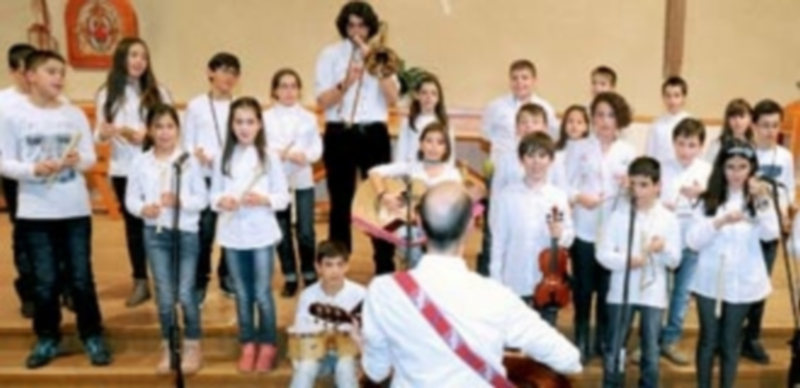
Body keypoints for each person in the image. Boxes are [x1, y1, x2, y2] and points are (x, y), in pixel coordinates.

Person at [352, 182, 582, 386]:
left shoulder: (383, 291)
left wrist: (361, 343)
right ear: (471, 225)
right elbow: (569, 360)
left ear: (419, 222)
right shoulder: (495, 296)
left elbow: (377, 371)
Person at [0, 50, 111, 368]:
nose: (59, 78)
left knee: (81, 278)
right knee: (45, 281)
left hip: (74, 208)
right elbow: (4, 162)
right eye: (51, 71)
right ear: (31, 76)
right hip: (35, 211)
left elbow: (91, 157)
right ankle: (48, 338)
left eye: (62, 73)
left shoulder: (73, 114)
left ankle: (92, 334)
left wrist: (80, 161)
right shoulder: (12, 115)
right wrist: (33, 170)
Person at [315, 0, 400, 275]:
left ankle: (384, 264)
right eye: (351, 25)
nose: (356, 31)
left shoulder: (383, 56)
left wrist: (375, 63)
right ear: (344, 27)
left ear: (369, 27)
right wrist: (346, 83)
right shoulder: (329, 54)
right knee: (340, 202)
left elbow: (393, 98)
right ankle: (338, 264)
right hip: (340, 132)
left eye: (361, 25)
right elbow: (322, 102)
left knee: (381, 198)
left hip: (373, 132)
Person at [687, 139, 777, 388]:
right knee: (708, 339)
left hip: (743, 280)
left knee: (730, 340)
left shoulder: (759, 199)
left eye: (742, 167)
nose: (736, 173)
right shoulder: (708, 199)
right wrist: (719, 222)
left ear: (751, 169)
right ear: (721, 168)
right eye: (730, 167)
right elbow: (693, 241)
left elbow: (771, 234)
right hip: (710, 280)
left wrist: (762, 200)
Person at [125, 104, 207, 374]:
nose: (164, 132)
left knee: (185, 292)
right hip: (155, 234)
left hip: (186, 233)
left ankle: (193, 343)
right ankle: (169, 344)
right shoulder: (140, 162)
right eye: (158, 126)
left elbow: (202, 200)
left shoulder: (189, 161)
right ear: (149, 130)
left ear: (178, 130)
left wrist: (180, 201)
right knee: (164, 294)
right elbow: (131, 199)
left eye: (170, 126)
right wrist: (142, 209)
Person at [210, 97, 289, 373]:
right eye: (239, 122)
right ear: (231, 125)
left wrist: (264, 198)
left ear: (259, 124)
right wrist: (224, 200)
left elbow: (282, 198)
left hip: (262, 234)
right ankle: (247, 343)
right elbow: (213, 196)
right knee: (242, 293)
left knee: (262, 293)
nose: (244, 128)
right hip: (232, 234)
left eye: (250, 122)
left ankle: (268, 343)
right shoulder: (222, 156)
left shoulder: (270, 157)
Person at [95, 37, 172, 307]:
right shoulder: (107, 93)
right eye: (133, 55)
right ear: (121, 59)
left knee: (162, 220)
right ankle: (140, 280)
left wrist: (148, 135)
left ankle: (166, 278)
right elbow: (98, 135)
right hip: (124, 168)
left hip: (157, 166)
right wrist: (104, 132)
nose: (139, 61)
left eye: (143, 56)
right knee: (134, 226)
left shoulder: (158, 92)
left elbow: (171, 128)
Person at [564, 91, 636, 363]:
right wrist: (580, 197)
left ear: (620, 120)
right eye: (599, 115)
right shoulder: (579, 148)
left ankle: (605, 340)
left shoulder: (628, 152)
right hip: (584, 227)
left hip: (614, 232)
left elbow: (639, 191)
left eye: (610, 115)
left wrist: (629, 186)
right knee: (583, 288)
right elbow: (565, 185)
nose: (605, 121)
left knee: (608, 290)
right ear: (592, 118)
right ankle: (581, 337)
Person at [598, 156, 681, 388]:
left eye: (644, 185)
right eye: (633, 184)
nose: (638, 191)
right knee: (615, 347)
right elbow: (602, 254)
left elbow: (675, 261)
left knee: (651, 351)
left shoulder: (668, 219)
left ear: (658, 186)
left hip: (653, 294)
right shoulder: (619, 216)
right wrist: (627, 261)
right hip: (621, 291)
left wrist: (662, 248)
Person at [490, 132, 574, 326]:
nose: (536, 162)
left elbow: (569, 235)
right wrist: (496, 279)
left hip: (547, 283)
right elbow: (499, 241)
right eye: (530, 156)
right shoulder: (507, 196)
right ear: (521, 160)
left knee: (545, 338)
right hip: (514, 279)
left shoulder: (558, 196)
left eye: (542, 156)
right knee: (513, 340)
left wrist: (560, 234)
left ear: (551, 160)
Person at [183, 52, 241, 301]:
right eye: (223, 70)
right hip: (204, 176)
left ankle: (227, 276)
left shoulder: (240, 105)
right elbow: (186, 144)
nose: (228, 76)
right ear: (210, 72)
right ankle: (200, 280)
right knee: (204, 232)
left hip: (230, 178)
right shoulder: (196, 105)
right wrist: (197, 155)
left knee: (230, 229)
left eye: (233, 72)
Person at [368, 122, 463, 268]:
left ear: (446, 148)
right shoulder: (411, 167)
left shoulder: (452, 174)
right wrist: (384, 195)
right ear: (420, 144)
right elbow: (374, 172)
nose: (433, 147)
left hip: (439, 232)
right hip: (411, 231)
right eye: (429, 141)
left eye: (440, 142)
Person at [742, 99, 794, 364]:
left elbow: (787, 190)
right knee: (739, 284)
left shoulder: (784, 156)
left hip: (770, 231)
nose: (770, 131)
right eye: (764, 125)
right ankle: (730, 336)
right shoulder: (745, 154)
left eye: (775, 125)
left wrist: (786, 215)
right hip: (745, 232)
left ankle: (752, 337)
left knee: (761, 286)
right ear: (753, 125)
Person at [264, 68, 322, 297]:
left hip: (302, 177)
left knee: (306, 230)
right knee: (282, 230)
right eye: (283, 86)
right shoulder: (266, 118)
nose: (289, 91)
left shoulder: (308, 117)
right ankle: (289, 275)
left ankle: (309, 272)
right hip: (277, 179)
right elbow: (262, 147)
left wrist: (305, 156)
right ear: (275, 91)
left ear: (299, 90)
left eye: (293, 86)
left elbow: (316, 147)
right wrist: (282, 154)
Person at [657, 118, 712, 365]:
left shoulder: (708, 170)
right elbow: (649, 200)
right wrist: (662, 206)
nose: (685, 150)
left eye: (692, 145)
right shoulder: (662, 167)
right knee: (660, 292)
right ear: (673, 143)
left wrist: (702, 194)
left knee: (681, 295)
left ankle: (671, 339)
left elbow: (717, 204)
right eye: (681, 143)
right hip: (665, 241)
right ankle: (652, 341)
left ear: (701, 146)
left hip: (692, 241)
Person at [288, 240, 365, 388]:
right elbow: (300, 332)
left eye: (339, 264)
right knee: (305, 369)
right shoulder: (307, 296)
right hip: (316, 353)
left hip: (350, 354)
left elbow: (370, 334)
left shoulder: (360, 294)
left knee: (345, 367)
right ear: (318, 267)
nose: (334, 271)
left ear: (347, 266)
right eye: (328, 265)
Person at [0, 43, 37, 318]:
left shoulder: (50, 98)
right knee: (24, 234)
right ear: (14, 71)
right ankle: (29, 291)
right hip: (16, 176)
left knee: (58, 233)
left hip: (51, 176)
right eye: (25, 71)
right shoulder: (4, 102)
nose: (31, 77)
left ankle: (61, 287)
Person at [395, 73, 454, 164]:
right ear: (417, 96)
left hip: (436, 173)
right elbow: (400, 154)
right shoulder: (408, 122)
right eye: (424, 92)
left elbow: (450, 157)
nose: (428, 97)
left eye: (433, 93)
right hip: (411, 173)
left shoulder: (445, 123)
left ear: (438, 99)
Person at [645, 76, 690, 166]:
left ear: (684, 98)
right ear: (663, 98)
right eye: (668, 96)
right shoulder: (657, 124)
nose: (672, 100)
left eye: (677, 96)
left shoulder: (691, 122)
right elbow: (650, 154)